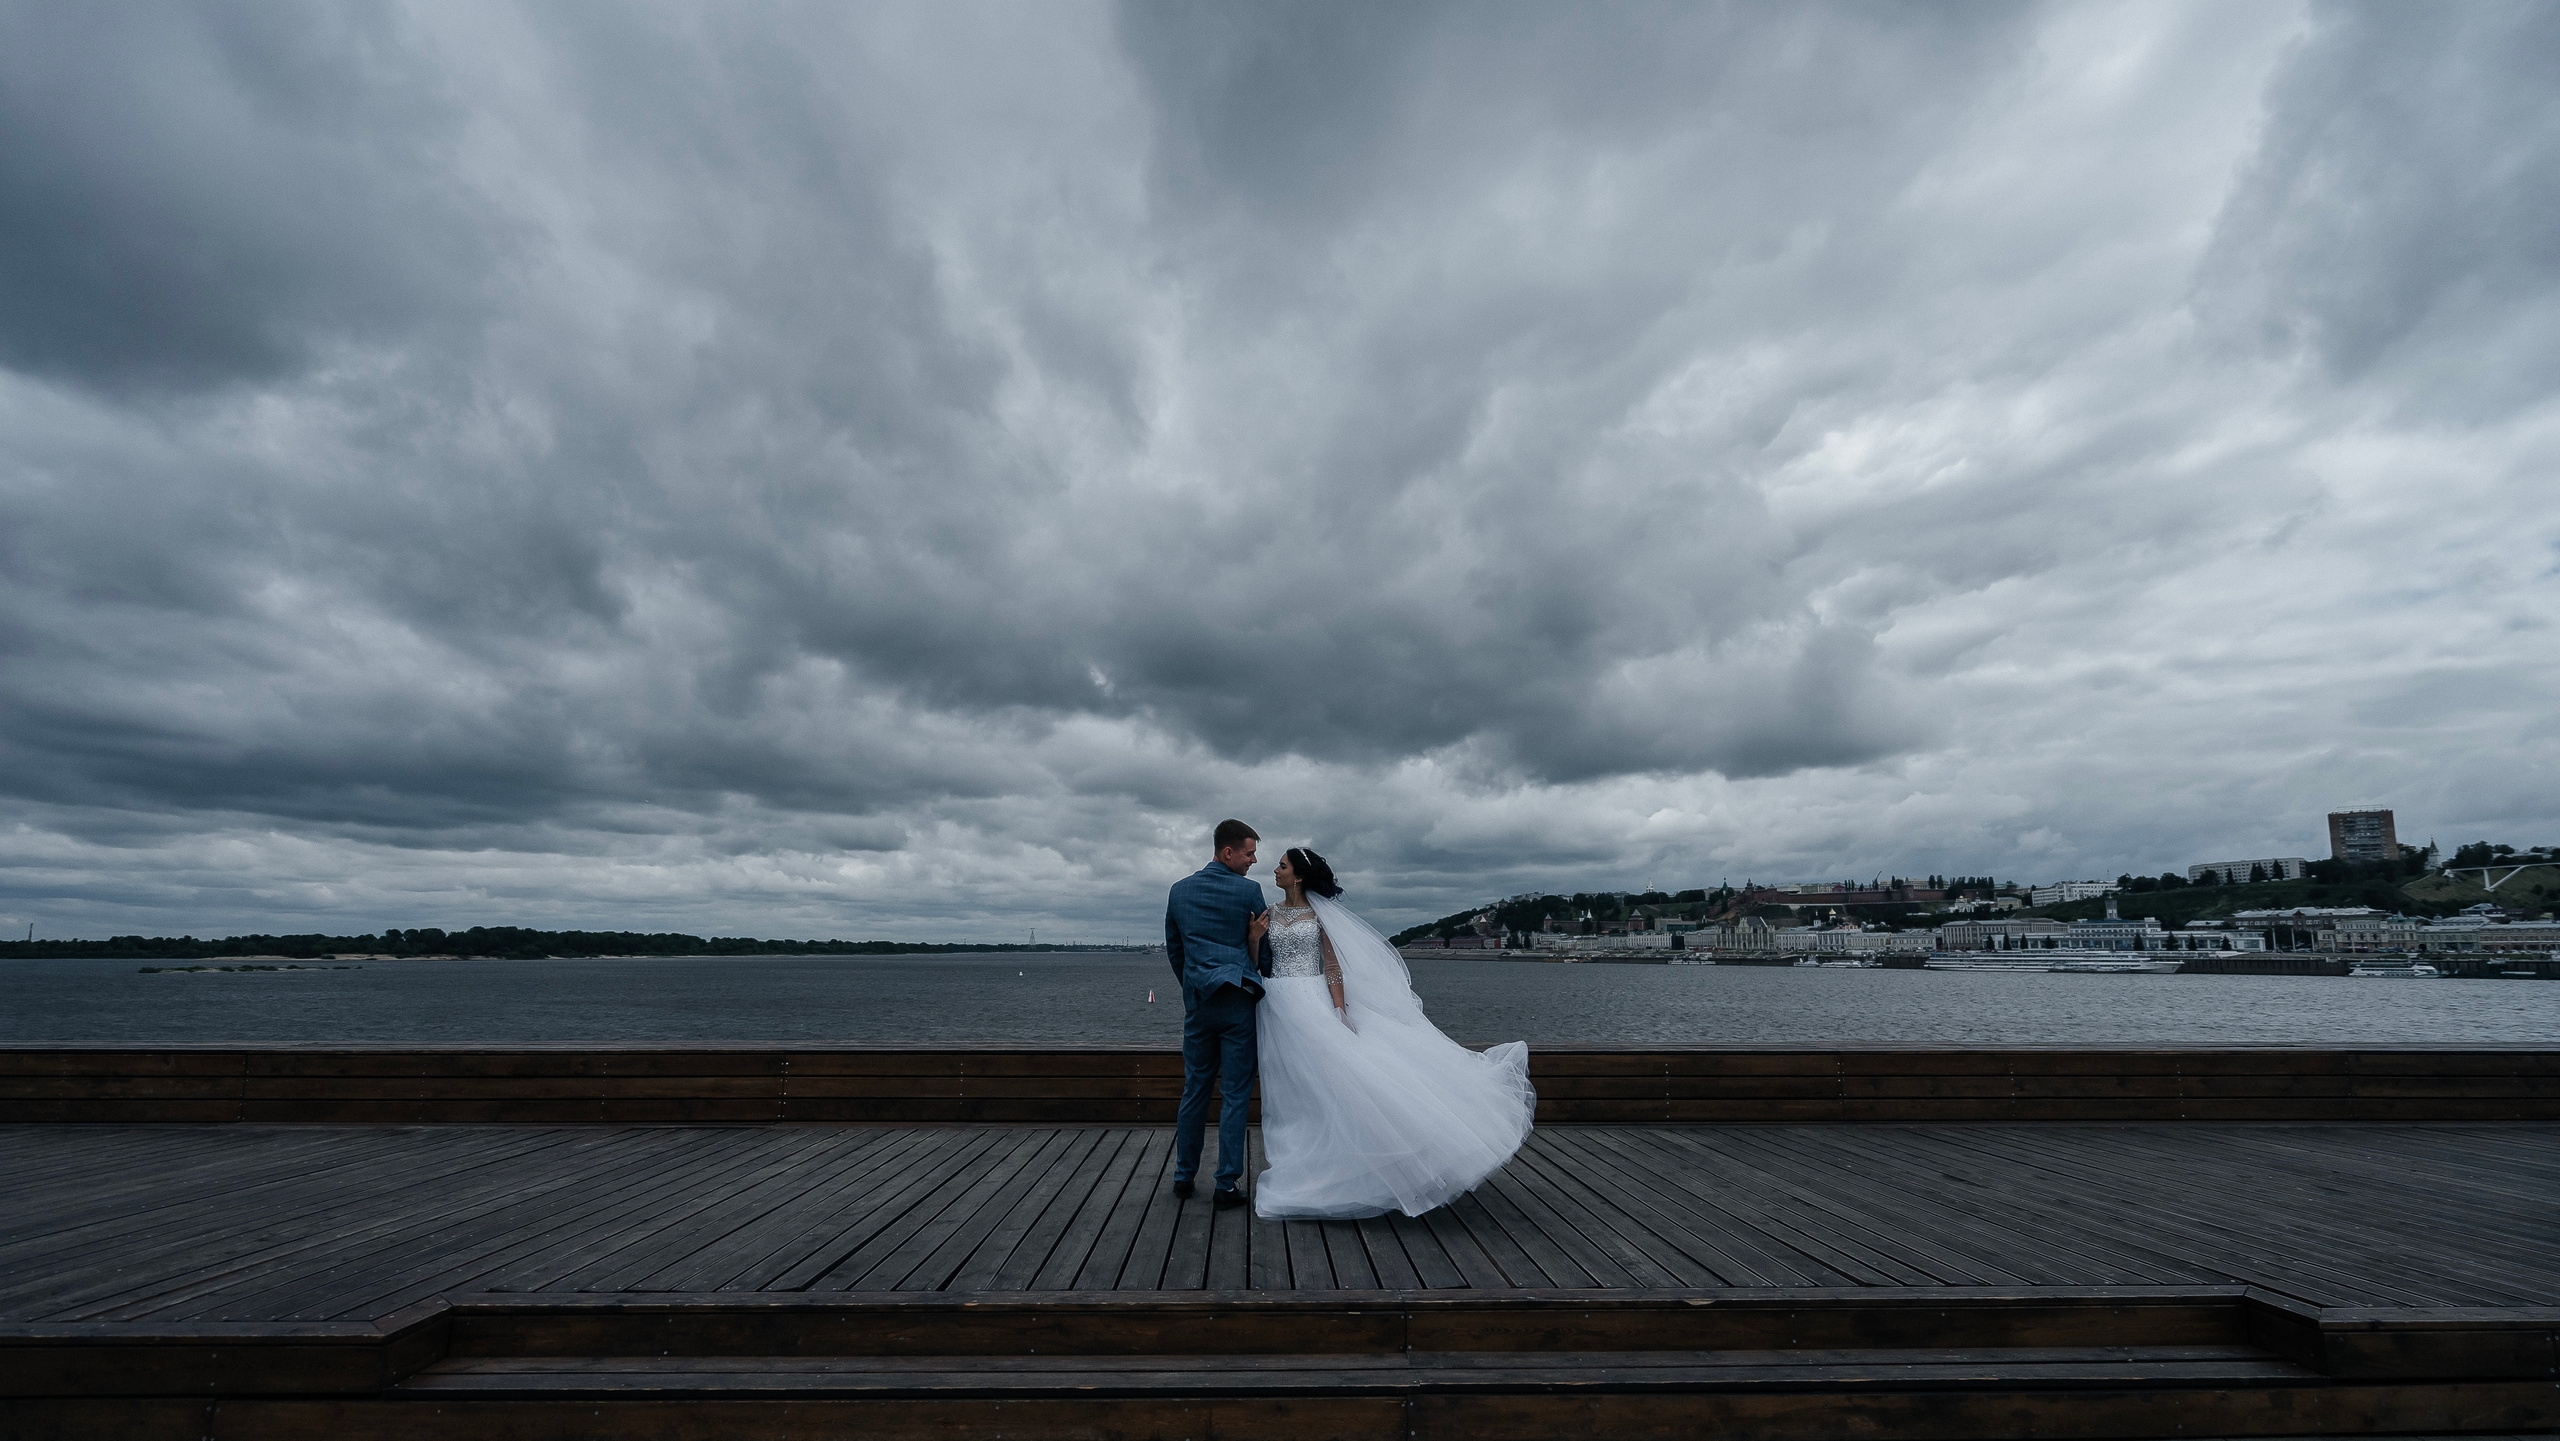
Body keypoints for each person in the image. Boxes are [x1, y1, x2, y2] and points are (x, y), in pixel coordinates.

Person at [1243, 846, 1535, 1219]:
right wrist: (1254, 938)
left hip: (1312, 1000)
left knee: (1340, 1081)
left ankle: (1351, 1167)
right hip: (1277, 1004)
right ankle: (1299, 1162)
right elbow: (1257, 964)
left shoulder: (1319, 916)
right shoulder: (1270, 912)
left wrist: (1339, 1010)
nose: (1275, 870)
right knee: (1292, 1090)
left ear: (1298, 876)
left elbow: (1332, 967)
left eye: (1282, 866)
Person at [1162, 818, 1269, 1207]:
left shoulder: (1179, 891)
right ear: (1228, 852)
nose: (1253, 861)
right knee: (1236, 1094)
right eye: (1249, 853)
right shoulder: (1249, 893)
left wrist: (1192, 991)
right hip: (1237, 1003)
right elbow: (1267, 958)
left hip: (1199, 1006)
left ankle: (1183, 1176)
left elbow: (1176, 951)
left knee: (1195, 1090)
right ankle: (1226, 1184)